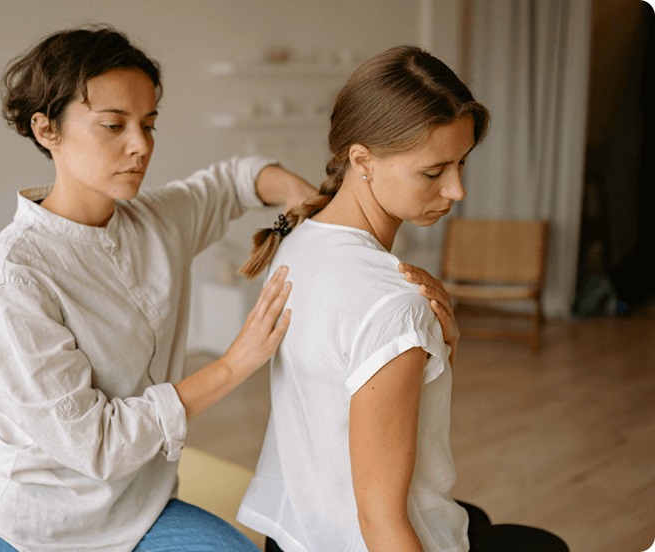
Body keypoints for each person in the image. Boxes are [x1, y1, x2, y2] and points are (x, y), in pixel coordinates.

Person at [0, 25, 317, 552]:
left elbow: (235, 179)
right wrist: (235, 361)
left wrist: (296, 192)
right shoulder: (15, 277)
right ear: (46, 130)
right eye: (113, 125)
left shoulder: (154, 220)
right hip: (37, 530)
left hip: (141, 511)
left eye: (148, 124)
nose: (140, 146)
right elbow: (98, 444)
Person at [236, 46, 569, 552]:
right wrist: (418, 327)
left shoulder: (298, 240)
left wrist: (442, 341)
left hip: (293, 533)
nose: (457, 190)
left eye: (461, 163)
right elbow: (380, 523)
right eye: (434, 172)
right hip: (358, 541)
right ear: (362, 160)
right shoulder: (394, 304)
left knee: (474, 516)